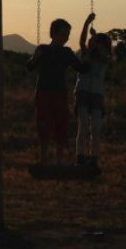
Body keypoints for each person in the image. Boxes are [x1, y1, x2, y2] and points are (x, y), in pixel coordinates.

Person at [27, 18, 88, 165]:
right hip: (44, 93)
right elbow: (29, 67)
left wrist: (90, 52)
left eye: (67, 35)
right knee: (43, 125)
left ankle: (59, 162)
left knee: (61, 125)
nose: (66, 38)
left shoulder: (67, 52)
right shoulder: (42, 49)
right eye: (63, 34)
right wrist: (36, 58)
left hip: (60, 94)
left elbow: (82, 69)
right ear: (53, 34)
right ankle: (44, 160)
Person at [74, 13, 112, 168]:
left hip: (97, 95)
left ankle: (94, 157)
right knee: (83, 125)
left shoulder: (106, 58)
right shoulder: (86, 54)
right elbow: (82, 41)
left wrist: (95, 38)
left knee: (95, 127)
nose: (93, 44)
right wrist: (86, 23)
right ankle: (81, 156)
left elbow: (104, 55)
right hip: (82, 92)